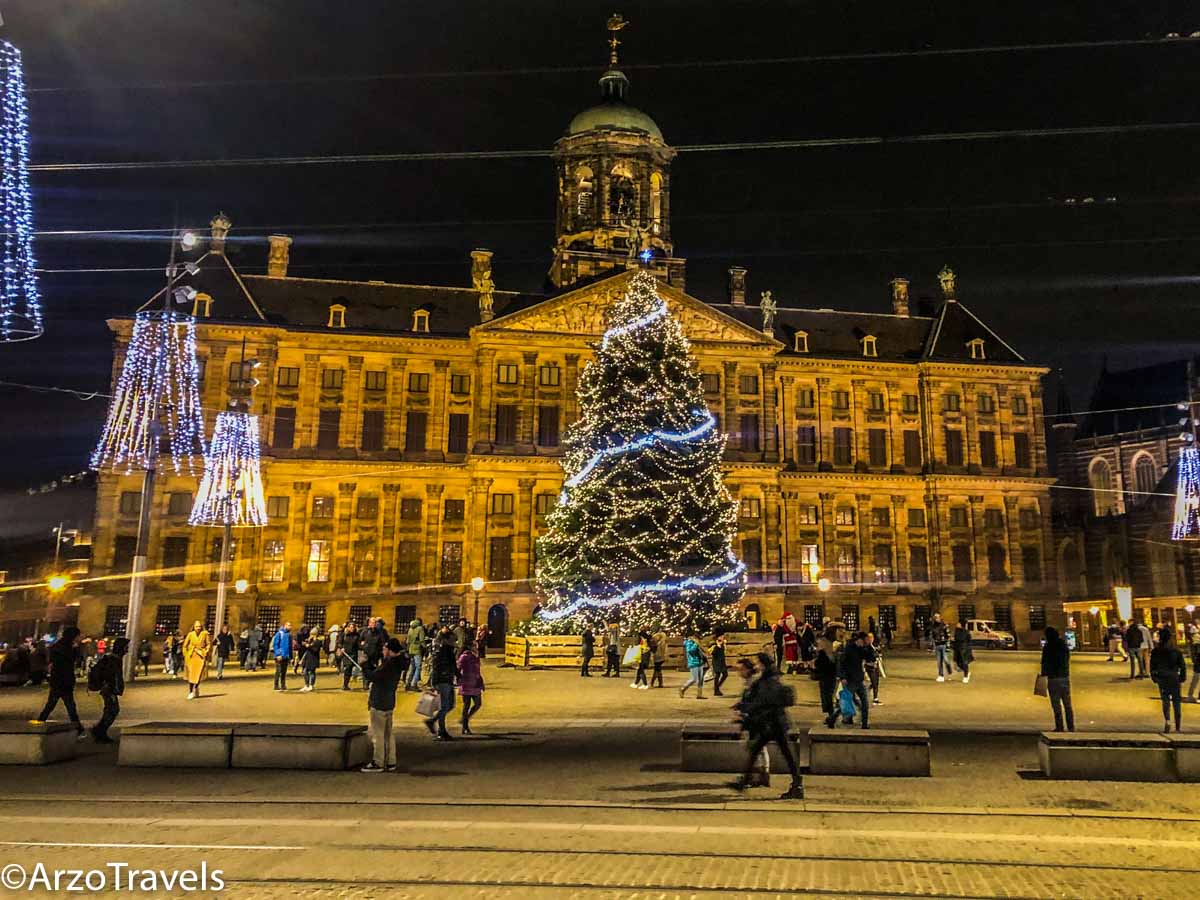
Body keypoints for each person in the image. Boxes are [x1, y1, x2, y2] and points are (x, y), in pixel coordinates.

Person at [731, 654, 803, 799]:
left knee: (774, 753)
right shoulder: (770, 677)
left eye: (758, 662)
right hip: (774, 722)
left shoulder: (767, 680)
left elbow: (762, 701)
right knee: (763, 751)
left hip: (772, 722)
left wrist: (744, 707)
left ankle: (797, 785)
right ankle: (797, 785)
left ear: (763, 664)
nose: (756, 665)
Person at [361, 637, 405, 772]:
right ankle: (391, 761)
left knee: (378, 734)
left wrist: (364, 665)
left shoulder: (389, 664)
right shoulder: (397, 663)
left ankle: (378, 762)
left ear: (390, 650)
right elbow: (378, 674)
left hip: (379, 701)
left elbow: (374, 677)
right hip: (389, 701)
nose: (383, 650)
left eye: (385, 648)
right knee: (388, 734)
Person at [34, 627, 88, 738]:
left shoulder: (57, 646)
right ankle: (78, 729)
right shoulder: (68, 647)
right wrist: (78, 647)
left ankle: (39, 723)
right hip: (63, 680)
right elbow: (73, 659)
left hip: (57, 679)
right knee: (68, 705)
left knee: (53, 705)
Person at [89, 637, 128, 743]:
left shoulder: (114, 658)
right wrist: (113, 688)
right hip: (108, 689)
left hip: (108, 688)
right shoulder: (114, 660)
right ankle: (100, 731)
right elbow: (112, 675)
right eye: (126, 647)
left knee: (111, 710)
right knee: (112, 710)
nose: (127, 650)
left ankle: (100, 731)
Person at [1150, 627, 1187, 733]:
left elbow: (1153, 666)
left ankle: (1167, 720)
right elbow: (1182, 665)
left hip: (1162, 677)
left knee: (1165, 700)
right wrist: (1182, 677)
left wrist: (1154, 677)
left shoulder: (1156, 651)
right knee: (1176, 702)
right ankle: (1178, 726)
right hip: (1174, 677)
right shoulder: (1175, 651)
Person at [1040, 626, 1074, 732]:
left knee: (1056, 704)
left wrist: (1044, 675)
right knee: (1067, 704)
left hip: (1053, 678)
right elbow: (1067, 658)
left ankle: (1059, 726)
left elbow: (1044, 663)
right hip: (1064, 677)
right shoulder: (1063, 645)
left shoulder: (1048, 646)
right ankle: (1071, 726)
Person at [425, 627, 457, 740]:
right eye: (453, 639)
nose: (455, 641)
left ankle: (436, 724)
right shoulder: (445, 651)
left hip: (446, 680)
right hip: (443, 680)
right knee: (444, 706)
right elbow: (439, 666)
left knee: (450, 705)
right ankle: (440, 730)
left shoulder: (447, 650)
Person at [838, 631, 870, 729]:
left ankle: (864, 724)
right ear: (859, 640)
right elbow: (841, 664)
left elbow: (870, 657)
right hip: (850, 680)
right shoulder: (848, 649)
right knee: (847, 700)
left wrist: (868, 647)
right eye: (864, 641)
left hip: (859, 680)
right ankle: (833, 717)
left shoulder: (861, 649)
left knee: (865, 702)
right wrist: (842, 677)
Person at [457, 640, 484, 734]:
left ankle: (464, 720)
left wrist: (481, 681)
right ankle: (465, 726)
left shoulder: (476, 656)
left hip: (476, 683)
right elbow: (458, 668)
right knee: (466, 705)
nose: (476, 646)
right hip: (467, 683)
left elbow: (478, 670)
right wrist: (459, 679)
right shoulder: (464, 656)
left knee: (478, 704)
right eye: (474, 645)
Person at [182, 620, 212, 700]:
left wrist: (205, 651)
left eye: (199, 626)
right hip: (192, 656)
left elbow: (208, 644)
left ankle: (196, 687)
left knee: (198, 675)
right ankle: (191, 691)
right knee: (191, 675)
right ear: (194, 627)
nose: (198, 628)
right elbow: (185, 645)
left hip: (200, 656)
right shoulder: (190, 634)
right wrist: (186, 654)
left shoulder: (205, 634)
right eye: (196, 626)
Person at [814, 641, 839, 728]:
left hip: (826, 678)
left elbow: (819, 665)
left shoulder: (823, 654)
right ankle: (831, 716)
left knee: (827, 697)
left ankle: (832, 717)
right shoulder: (831, 654)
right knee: (828, 697)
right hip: (830, 678)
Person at [679, 631, 707, 699]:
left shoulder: (697, 642)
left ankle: (699, 694)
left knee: (701, 679)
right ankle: (683, 688)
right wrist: (696, 644)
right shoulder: (689, 642)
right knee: (694, 679)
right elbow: (690, 651)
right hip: (693, 662)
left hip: (700, 662)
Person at [405, 617, 426, 690]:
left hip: (411, 650)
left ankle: (408, 683)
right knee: (418, 668)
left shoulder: (410, 629)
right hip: (417, 650)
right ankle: (414, 684)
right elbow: (422, 640)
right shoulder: (420, 628)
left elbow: (407, 641)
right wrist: (425, 647)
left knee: (412, 668)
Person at [929, 614, 951, 682]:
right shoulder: (933, 626)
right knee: (939, 662)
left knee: (945, 660)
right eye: (936, 618)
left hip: (943, 644)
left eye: (938, 617)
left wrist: (948, 645)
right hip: (937, 645)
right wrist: (931, 647)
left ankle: (949, 668)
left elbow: (948, 635)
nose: (937, 619)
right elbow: (932, 637)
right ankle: (941, 675)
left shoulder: (944, 625)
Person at [271, 622, 293, 691]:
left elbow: (290, 647)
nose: (290, 627)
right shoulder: (279, 634)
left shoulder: (289, 635)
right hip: (280, 656)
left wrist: (291, 657)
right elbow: (275, 645)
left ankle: (283, 685)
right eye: (289, 625)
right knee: (278, 671)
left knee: (284, 671)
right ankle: (276, 685)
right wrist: (278, 654)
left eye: (290, 625)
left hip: (286, 656)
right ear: (285, 625)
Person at [341, 622, 361, 690]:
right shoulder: (344, 635)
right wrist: (341, 647)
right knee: (347, 669)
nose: (352, 629)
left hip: (353, 654)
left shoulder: (357, 636)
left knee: (350, 669)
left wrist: (363, 645)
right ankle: (345, 684)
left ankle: (347, 684)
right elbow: (339, 642)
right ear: (348, 628)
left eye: (353, 627)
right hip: (346, 654)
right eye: (351, 627)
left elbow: (358, 645)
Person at [952, 620, 974, 685]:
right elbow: (955, 640)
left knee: (964, 663)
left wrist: (968, 649)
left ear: (961, 624)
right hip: (957, 649)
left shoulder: (966, 632)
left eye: (958, 623)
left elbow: (969, 641)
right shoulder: (956, 631)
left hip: (964, 649)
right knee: (958, 663)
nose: (957, 624)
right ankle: (966, 672)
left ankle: (965, 676)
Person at [864, 632, 882, 705]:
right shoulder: (866, 647)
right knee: (873, 682)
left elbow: (878, 655)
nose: (871, 639)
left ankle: (875, 697)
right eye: (869, 638)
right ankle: (874, 698)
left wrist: (878, 653)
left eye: (872, 638)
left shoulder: (873, 646)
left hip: (875, 665)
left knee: (876, 683)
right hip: (870, 667)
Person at [710, 632, 729, 696]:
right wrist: (718, 646)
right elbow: (713, 653)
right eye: (721, 636)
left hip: (722, 661)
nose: (723, 637)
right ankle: (716, 690)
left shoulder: (723, 644)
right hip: (716, 662)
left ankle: (717, 687)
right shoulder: (714, 644)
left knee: (725, 674)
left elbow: (724, 651)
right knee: (717, 675)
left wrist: (723, 644)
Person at [1188, 624, 1200, 702]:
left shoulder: (1193, 640)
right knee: (1195, 678)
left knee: (1195, 679)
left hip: (1197, 661)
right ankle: (1192, 695)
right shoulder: (1197, 639)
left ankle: (1190, 695)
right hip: (1198, 661)